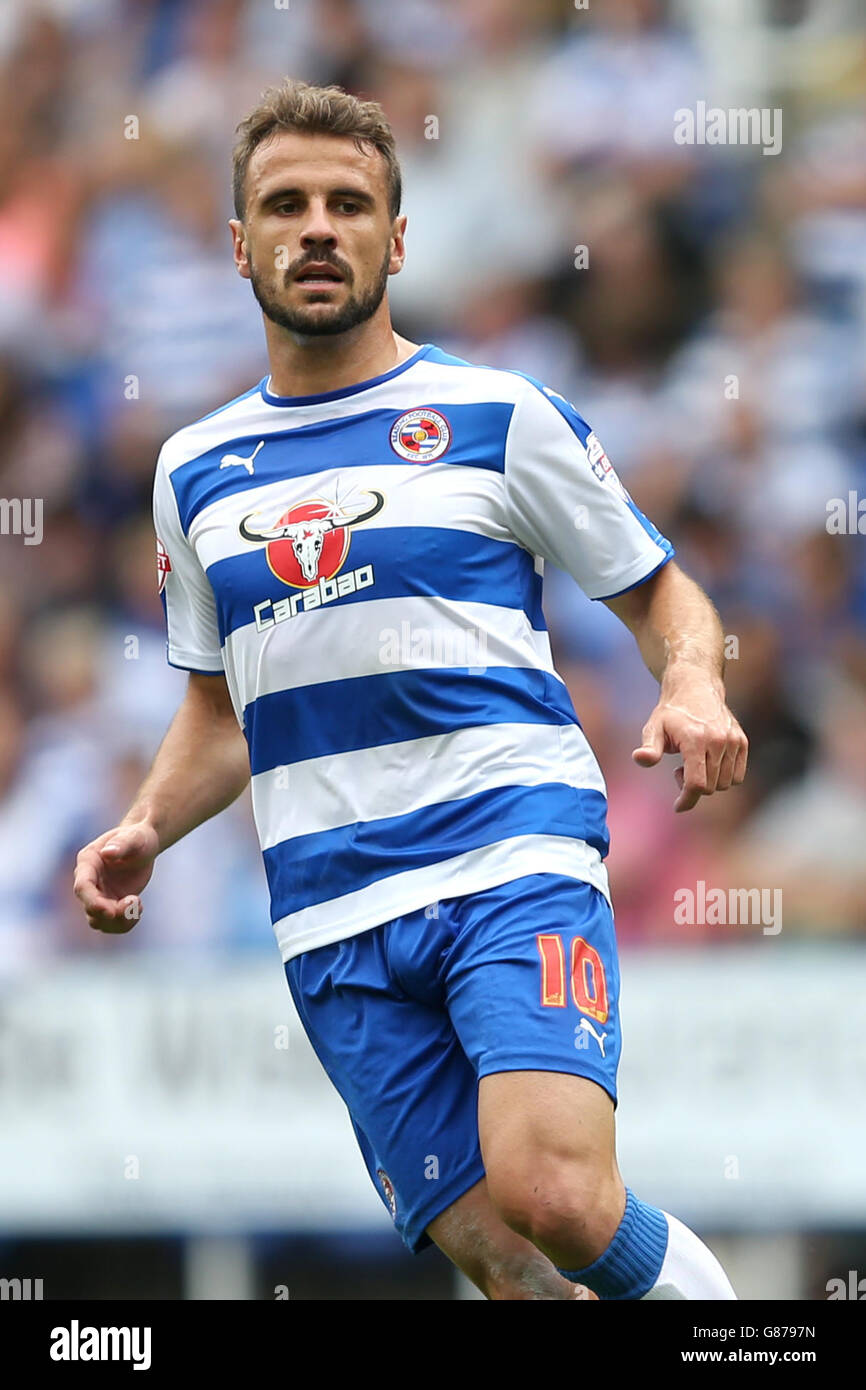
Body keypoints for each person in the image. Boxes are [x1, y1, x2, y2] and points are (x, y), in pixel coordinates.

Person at [74, 79, 748, 1300]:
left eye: (348, 203)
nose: (316, 226)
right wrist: (145, 826)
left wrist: (692, 684)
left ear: (397, 237)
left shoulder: (497, 416)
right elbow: (222, 710)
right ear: (239, 246)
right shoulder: (194, 472)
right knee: (501, 1259)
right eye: (284, 204)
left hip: (506, 852)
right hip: (331, 913)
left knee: (556, 1195)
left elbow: (659, 593)